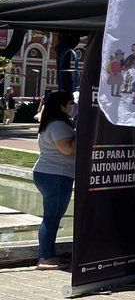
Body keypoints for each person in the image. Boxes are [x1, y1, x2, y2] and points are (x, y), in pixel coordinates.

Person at [32, 90, 76, 269]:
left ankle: (49, 255)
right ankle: (45, 258)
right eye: (71, 103)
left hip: (53, 173)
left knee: (54, 217)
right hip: (55, 175)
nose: (73, 106)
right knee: (51, 217)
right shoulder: (57, 125)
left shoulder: (54, 123)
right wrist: (82, 132)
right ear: (61, 106)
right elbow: (67, 149)